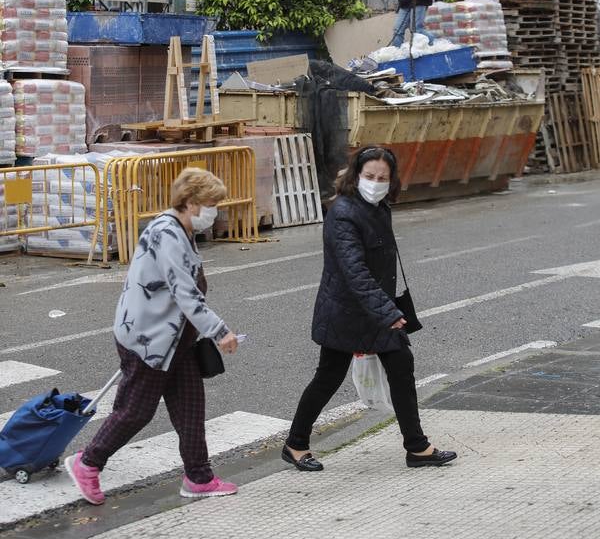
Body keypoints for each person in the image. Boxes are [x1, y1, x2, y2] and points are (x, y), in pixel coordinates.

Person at [65, 167, 239, 504]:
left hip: (177, 341)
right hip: (149, 339)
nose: (214, 210)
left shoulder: (183, 229)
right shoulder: (167, 233)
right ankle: (87, 462)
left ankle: (198, 478)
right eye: (211, 203)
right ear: (190, 202)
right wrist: (220, 331)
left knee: (190, 408)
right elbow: (184, 293)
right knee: (135, 411)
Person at [282, 146, 456, 472]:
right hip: (347, 313)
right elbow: (355, 272)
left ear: (392, 181)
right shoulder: (343, 212)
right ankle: (295, 443)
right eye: (369, 176)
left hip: (374, 311)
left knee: (401, 366)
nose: (375, 183)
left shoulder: (378, 207)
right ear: (356, 175)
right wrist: (388, 313)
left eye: (383, 178)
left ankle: (417, 447)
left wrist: (385, 310)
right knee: (328, 377)